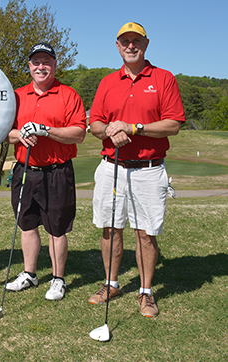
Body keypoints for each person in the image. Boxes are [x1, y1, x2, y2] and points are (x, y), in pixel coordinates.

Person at [88, 22, 186, 318]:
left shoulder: (163, 78)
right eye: (125, 41)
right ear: (117, 46)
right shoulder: (107, 82)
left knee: (145, 233)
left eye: (137, 41)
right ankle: (111, 283)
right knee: (110, 227)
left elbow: (174, 124)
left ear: (146, 44)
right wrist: (110, 130)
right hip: (111, 167)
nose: (131, 46)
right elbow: (94, 124)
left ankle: (145, 292)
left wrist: (134, 128)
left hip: (148, 169)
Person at [6, 42, 87, 301]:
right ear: (29, 66)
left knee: (56, 228)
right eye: (36, 62)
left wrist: (45, 130)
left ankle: (58, 278)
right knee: (27, 224)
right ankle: (29, 274)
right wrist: (20, 134)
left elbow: (79, 133)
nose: (41, 67)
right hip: (25, 170)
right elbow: (5, 133)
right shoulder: (16, 96)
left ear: (54, 65)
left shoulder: (68, 95)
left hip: (57, 171)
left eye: (46, 62)